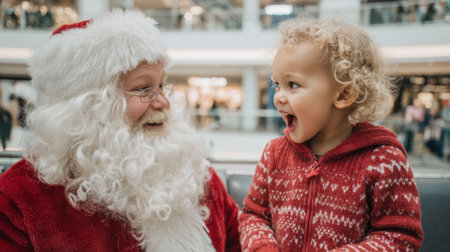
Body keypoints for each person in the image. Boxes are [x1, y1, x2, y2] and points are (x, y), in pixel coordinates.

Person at [0, 10, 240, 252]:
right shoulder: (17, 199)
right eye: (143, 88)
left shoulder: (196, 177)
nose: (162, 102)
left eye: (161, 86)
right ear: (87, 106)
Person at [239, 18, 424, 251]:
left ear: (344, 94)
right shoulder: (274, 154)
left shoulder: (383, 160)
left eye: (293, 85)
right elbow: (253, 215)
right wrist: (262, 247)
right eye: (277, 84)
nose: (279, 97)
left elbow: (400, 236)